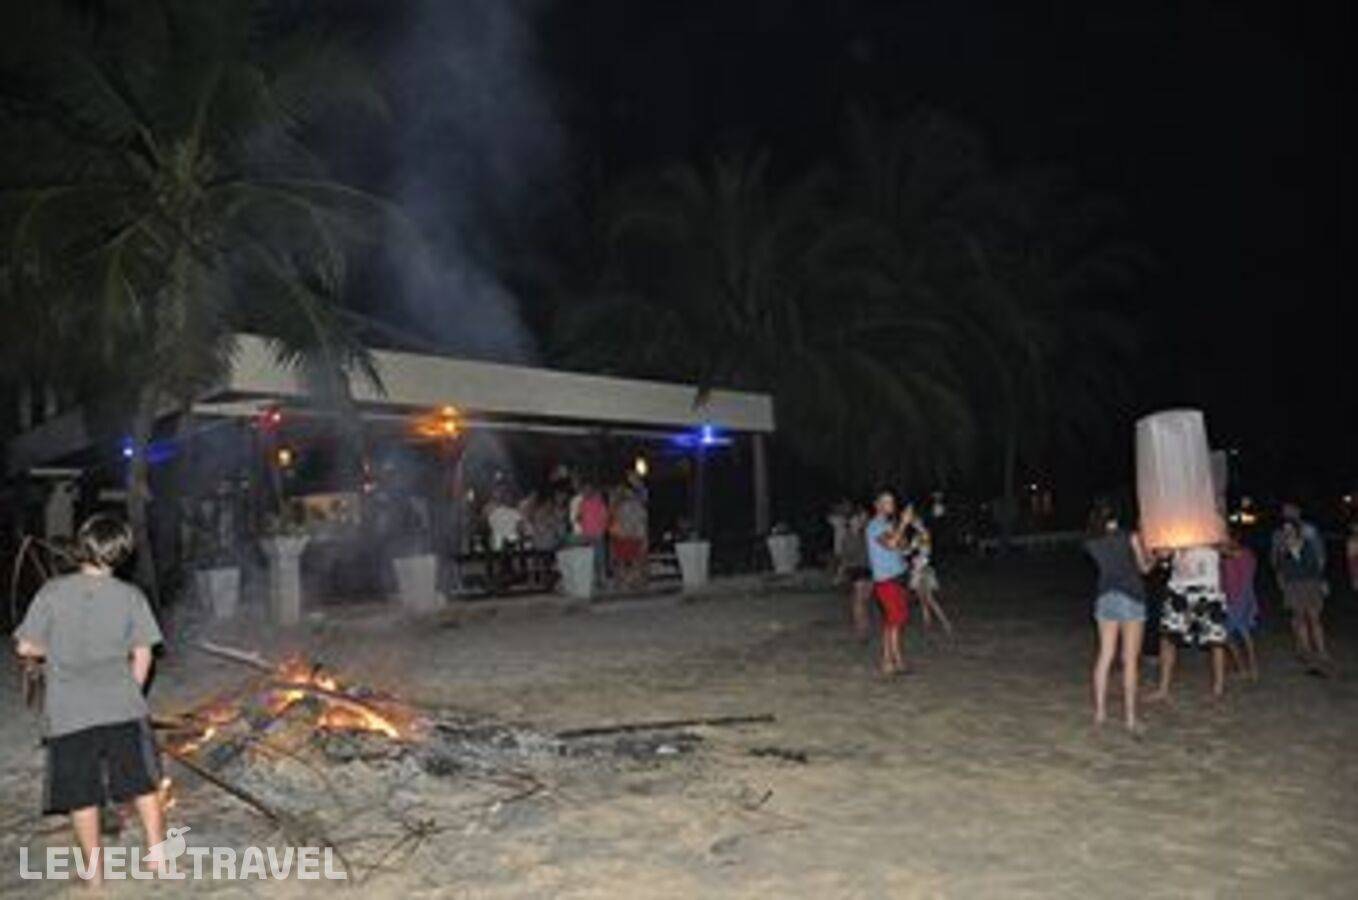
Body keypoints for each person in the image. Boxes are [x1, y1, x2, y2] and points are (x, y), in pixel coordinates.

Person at [13, 515, 166, 888]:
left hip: (70, 713)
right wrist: (130, 690)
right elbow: (143, 654)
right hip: (122, 707)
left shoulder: (52, 592)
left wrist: (55, 650)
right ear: (122, 553)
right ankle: (158, 857)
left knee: (82, 794)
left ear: (82, 546)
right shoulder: (131, 597)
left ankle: (95, 874)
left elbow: (25, 647)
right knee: (142, 783)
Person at [1083, 509, 1151, 730]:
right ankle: (1130, 718)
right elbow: (1144, 568)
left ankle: (1100, 713)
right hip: (1131, 597)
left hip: (1105, 598)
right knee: (1129, 660)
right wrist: (1156, 558)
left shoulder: (1093, 543)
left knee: (1105, 656)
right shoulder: (1130, 537)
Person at [1148, 543, 1230, 701]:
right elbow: (1163, 555)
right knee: (1167, 638)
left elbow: (1231, 550)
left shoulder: (1212, 527)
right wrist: (1165, 549)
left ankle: (1218, 689)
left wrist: (1212, 543)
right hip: (1179, 589)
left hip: (1208, 590)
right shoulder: (1177, 527)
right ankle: (1163, 689)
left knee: (1215, 641)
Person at [866, 491, 913, 676]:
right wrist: (903, 524)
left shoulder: (888, 525)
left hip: (898, 577)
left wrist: (909, 536)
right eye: (886, 501)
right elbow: (891, 544)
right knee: (895, 621)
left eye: (892, 501)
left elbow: (902, 547)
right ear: (876, 505)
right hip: (886, 581)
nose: (891, 504)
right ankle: (896, 662)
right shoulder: (874, 526)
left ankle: (888, 662)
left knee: (893, 622)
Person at [1276, 520, 1329, 664]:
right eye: (1285, 529)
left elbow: (1317, 565)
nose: (1288, 532)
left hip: (1311, 584)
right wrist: (1282, 585)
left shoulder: (1308, 544)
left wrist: (1322, 582)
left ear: (1297, 530)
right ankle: (1306, 651)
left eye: (1290, 528)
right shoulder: (1282, 549)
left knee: (1314, 619)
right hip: (1293, 586)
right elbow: (1281, 570)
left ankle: (1321, 650)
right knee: (1300, 619)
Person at [904, 508, 954, 638]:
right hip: (918, 568)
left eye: (915, 521)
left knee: (929, 599)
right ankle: (928, 626)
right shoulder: (917, 535)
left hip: (923, 569)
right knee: (923, 599)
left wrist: (916, 561)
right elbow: (909, 551)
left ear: (920, 521)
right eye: (913, 521)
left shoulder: (924, 534)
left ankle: (945, 623)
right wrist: (903, 551)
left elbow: (925, 552)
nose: (913, 523)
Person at [1221, 531, 1261, 681]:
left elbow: (1231, 554)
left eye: (1227, 539)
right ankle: (1245, 668)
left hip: (1241, 598)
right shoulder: (1229, 555)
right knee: (1236, 634)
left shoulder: (1245, 554)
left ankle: (1249, 669)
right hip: (1231, 597)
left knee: (1235, 633)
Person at [841, 506, 873, 641]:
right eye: (854, 520)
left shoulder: (865, 535)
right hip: (856, 569)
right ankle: (861, 630)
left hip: (868, 569)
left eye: (858, 520)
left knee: (864, 600)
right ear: (849, 521)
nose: (857, 522)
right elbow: (846, 556)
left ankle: (863, 627)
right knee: (859, 600)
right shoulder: (847, 537)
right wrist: (843, 569)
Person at [574, 482, 611, 589]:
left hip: (597, 533)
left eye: (587, 489)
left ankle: (601, 580)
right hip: (588, 534)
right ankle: (594, 580)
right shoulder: (582, 503)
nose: (585, 492)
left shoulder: (598, 502)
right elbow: (578, 517)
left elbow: (605, 516)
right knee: (591, 558)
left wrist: (602, 529)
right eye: (584, 490)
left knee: (600, 557)